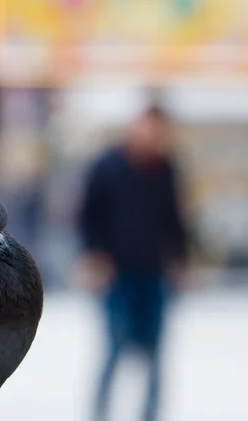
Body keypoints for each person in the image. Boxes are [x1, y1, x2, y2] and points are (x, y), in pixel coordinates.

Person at [78, 102, 188, 421]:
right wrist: (94, 255)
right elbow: (89, 216)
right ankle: (100, 411)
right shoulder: (107, 166)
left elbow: (174, 217)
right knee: (114, 346)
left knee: (155, 352)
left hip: (154, 272)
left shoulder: (165, 168)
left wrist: (181, 257)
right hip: (116, 273)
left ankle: (150, 414)